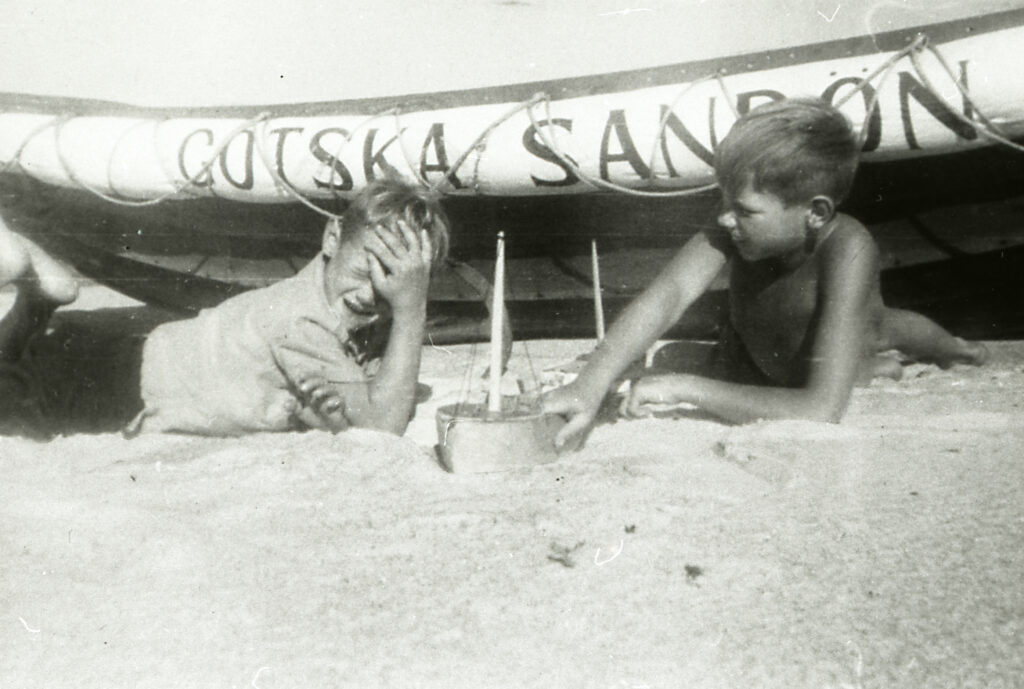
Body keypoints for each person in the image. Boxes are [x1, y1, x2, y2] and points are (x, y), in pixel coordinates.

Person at [544, 97, 987, 450]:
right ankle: (879, 365)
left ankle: (959, 350)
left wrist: (687, 388)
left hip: (842, 344)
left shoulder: (849, 248)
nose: (724, 220)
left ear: (815, 213)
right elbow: (672, 293)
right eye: (725, 203)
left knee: (885, 330)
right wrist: (590, 382)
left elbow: (820, 409)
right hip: (766, 358)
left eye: (745, 210)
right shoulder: (737, 223)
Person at [0, 178, 449, 439]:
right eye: (365, 271)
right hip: (113, 387)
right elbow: (379, 431)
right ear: (331, 238)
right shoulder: (301, 320)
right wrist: (411, 308)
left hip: (125, 358)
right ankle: (20, 262)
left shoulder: (331, 305)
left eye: (392, 284)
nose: (374, 295)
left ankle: (41, 297)